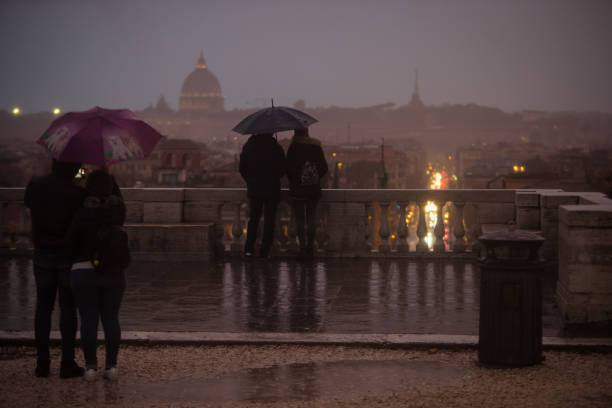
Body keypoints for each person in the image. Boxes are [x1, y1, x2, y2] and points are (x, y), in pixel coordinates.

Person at [24, 159, 86, 378]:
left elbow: (28, 204)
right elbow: (81, 182)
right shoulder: (77, 193)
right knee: (68, 309)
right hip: (67, 255)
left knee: (43, 308)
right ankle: (67, 362)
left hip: (42, 251)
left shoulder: (36, 184)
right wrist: (82, 171)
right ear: (73, 170)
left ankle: (42, 363)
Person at [67, 169, 127, 381]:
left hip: (83, 270)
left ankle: (90, 367)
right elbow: (118, 199)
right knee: (111, 318)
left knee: (88, 319)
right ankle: (111, 367)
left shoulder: (82, 211)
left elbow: (70, 243)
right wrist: (112, 178)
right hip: (112, 270)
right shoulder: (118, 210)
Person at [239, 133, 285, 258]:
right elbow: (282, 169)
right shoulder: (276, 147)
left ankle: (249, 250)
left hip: (255, 189)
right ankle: (265, 251)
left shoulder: (249, 146)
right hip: (272, 189)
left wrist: (250, 180)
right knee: (270, 220)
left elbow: (242, 167)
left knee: (254, 220)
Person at [286, 128, 328, 258]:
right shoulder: (315, 147)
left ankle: (302, 248)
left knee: (299, 220)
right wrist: (313, 178)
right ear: (307, 132)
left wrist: (297, 179)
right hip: (313, 189)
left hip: (297, 189)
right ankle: (310, 247)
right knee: (311, 219)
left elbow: (288, 169)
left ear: (295, 133)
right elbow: (324, 168)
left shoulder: (293, 147)